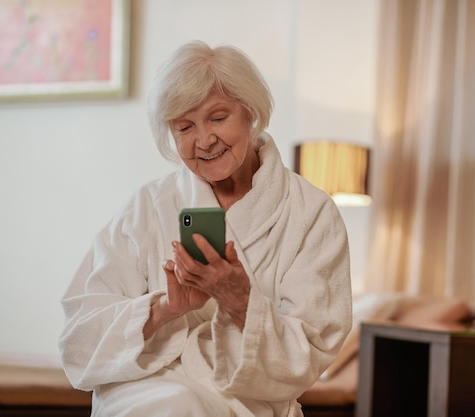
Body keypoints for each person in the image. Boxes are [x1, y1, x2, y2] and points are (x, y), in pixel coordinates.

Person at [59, 40, 352, 417]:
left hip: (247, 400)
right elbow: (79, 340)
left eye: (218, 117)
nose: (204, 140)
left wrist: (241, 301)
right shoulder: (146, 207)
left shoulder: (311, 213)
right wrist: (164, 308)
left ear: (250, 113)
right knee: (174, 406)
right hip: (146, 389)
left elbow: (312, 351)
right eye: (184, 126)